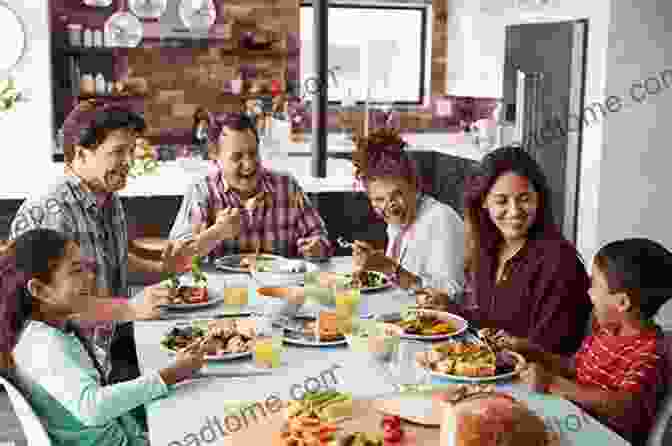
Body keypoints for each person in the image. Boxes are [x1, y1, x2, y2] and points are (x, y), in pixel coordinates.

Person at [8, 103, 195, 422]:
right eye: (118, 151)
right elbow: (47, 307)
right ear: (81, 155)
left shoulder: (107, 196)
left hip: (112, 347)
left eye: (132, 150)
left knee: (197, 382)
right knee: (186, 405)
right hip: (77, 378)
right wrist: (131, 309)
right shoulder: (51, 211)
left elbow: (117, 260)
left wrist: (161, 269)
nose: (129, 162)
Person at [0, 229, 205, 446]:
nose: (90, 276)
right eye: (76, 270)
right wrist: (169, 375)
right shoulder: (41, 345)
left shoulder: (53, 328)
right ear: (39, 289)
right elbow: (93, 408)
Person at [416, 146, 592, 355]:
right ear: (483, 202)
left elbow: (554, 349)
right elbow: (493, 322)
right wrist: (450, 309)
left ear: (539, 199)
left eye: (524, 199)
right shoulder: (488, 248)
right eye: (502, 201)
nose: (514, 211)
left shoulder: (560, 263)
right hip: (490, 369)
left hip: (534, 380)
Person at [509, 238, 672, 446]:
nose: (588, 291)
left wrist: (552, 383)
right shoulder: (604, 331)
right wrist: (532, 351)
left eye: (594, 284)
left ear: (622, 302)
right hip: (572, 421)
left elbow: (623, 406)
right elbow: (573, 368)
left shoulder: (650, 353)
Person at [169, 112, 333, 259]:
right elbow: (176, 258)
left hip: (278, 289)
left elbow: (320, 237)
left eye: (253, 153)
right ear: (215, 156)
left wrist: (317, 247)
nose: (248, 165)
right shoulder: (202, 191)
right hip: (222, 291)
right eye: (237, 157)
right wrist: (217, 232)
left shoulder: (286, 186)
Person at [350, 128, 465, 293]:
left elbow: (452, 294)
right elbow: (402, 281)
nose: (390, 207)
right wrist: (374, 264)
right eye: (379, 199)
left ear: (415, 186)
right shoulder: (398, 221)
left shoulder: (441, 219)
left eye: (397, 195)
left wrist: (389, 268)